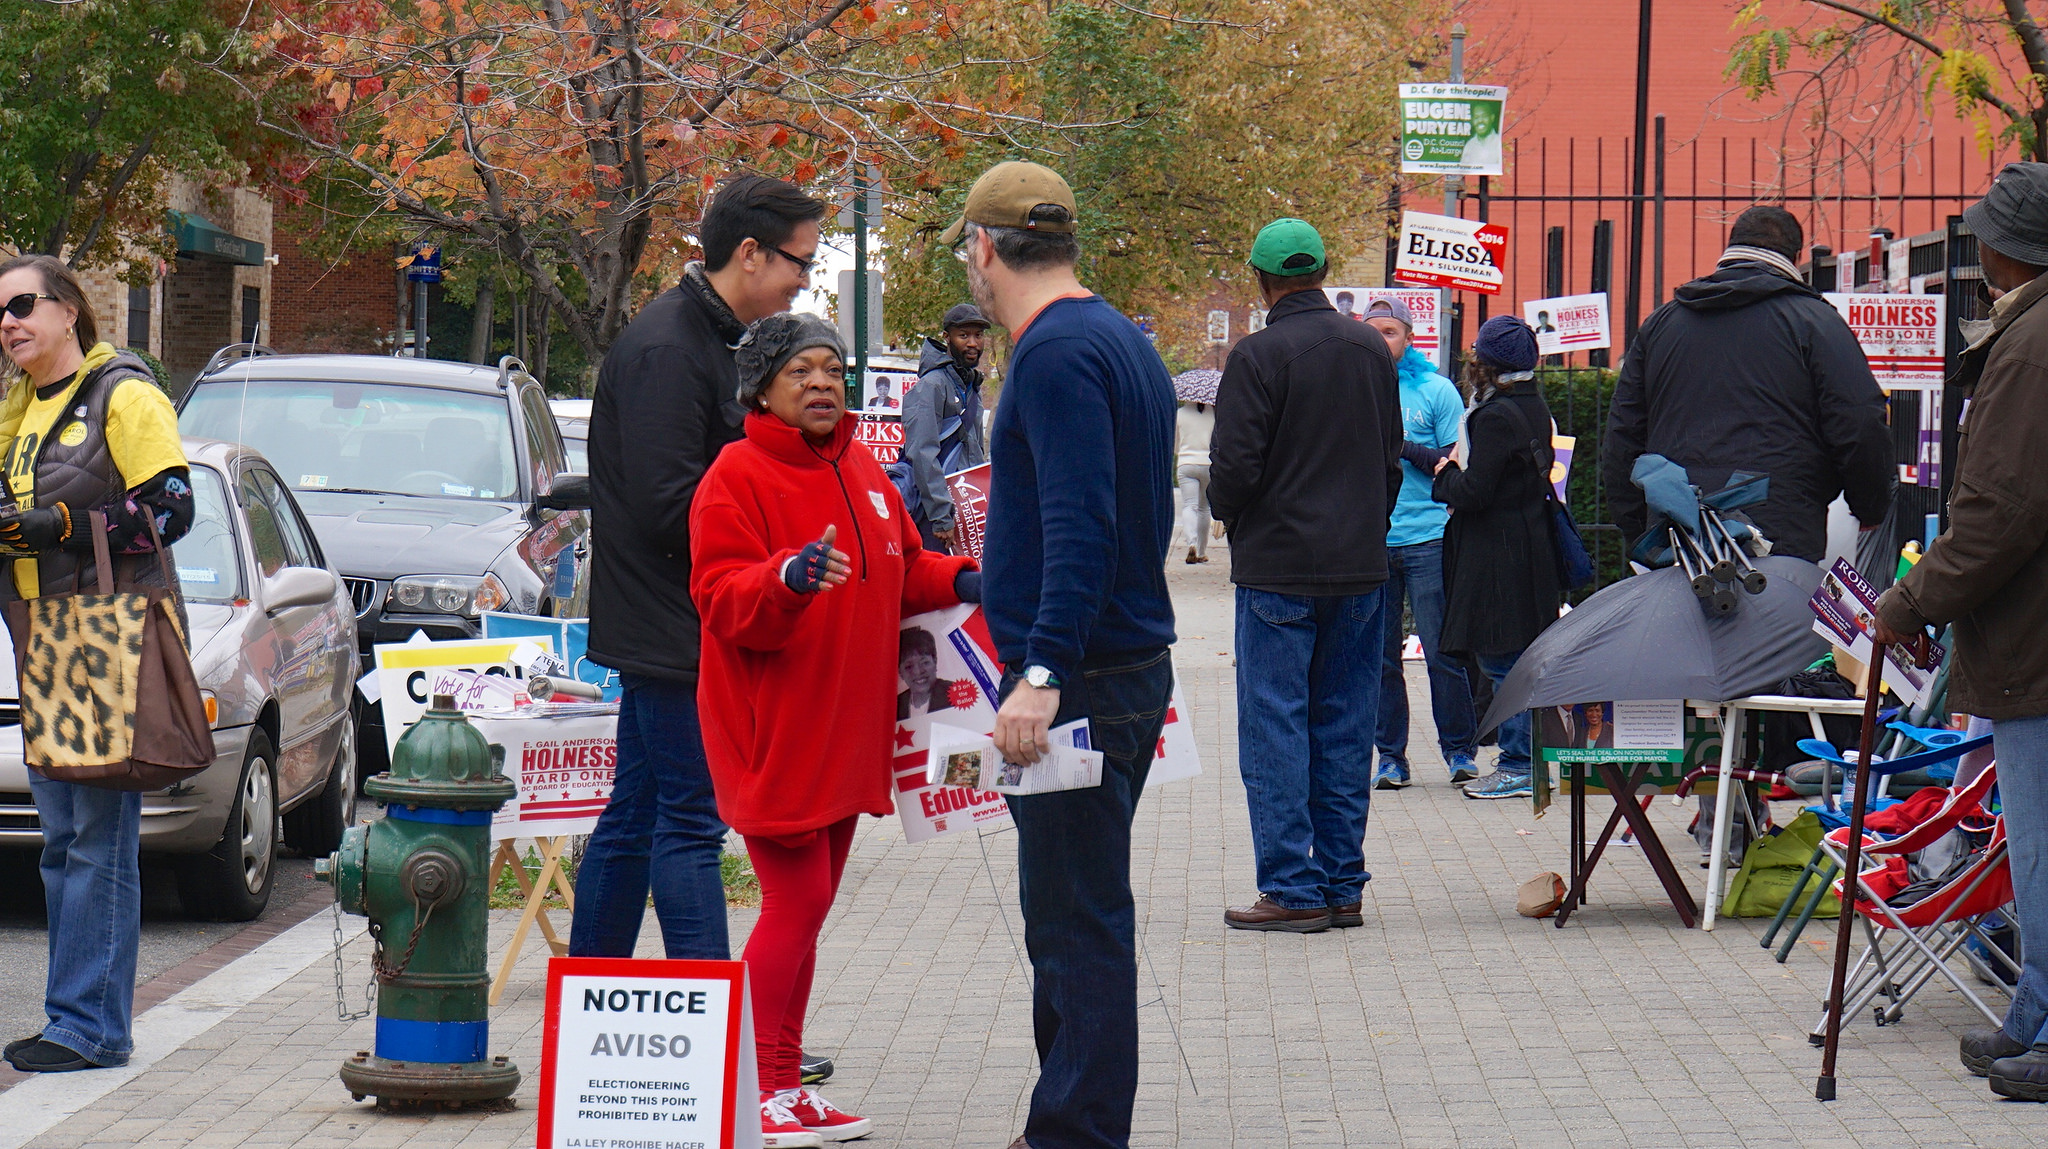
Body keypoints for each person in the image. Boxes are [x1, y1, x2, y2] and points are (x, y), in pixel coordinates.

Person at [692, 313, 978, 1145]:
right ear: (762, 389)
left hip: (850, 725)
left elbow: (904, 564)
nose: (821, 384)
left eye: (831, 369)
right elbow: (719, 596)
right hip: (773, 724)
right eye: (800, 372)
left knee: (809, 909)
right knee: (797, 898)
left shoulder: (860, 465)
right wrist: (788, 576)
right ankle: (749, 1086)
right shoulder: (735, 475)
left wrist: (966, 574)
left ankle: (783, 1084)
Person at [943, 159, 1176, 1149]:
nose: (970, 268)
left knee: (1076, 922)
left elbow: (1080, 525)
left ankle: (1075, 1132)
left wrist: (1039, 672)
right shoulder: (1116, 339)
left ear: (987, 248)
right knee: (1068, 915)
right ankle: (1068, 1115)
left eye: (967, 250)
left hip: (1079, 677)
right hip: (1112, 663)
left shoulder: (1054, 354)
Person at [577, 176, 822, 960]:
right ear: (749, 253)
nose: (804, 281)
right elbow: (669, 503)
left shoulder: (710, 339)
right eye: (799, 262)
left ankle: (593, 1006)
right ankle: (715, 1034)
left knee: (637, 816)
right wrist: (769, 556)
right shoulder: (668, 348)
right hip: (676, 628)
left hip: (677, 622)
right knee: (688, 822)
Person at [1873, 162, 2048, 1103]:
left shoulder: (2033, 345)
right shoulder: (2027, 338)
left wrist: (1910, 602)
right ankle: (2032, 1014)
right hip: (2027, 637)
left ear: (2005, 250)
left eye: (1983, 236)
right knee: (2035, 840)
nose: (1973, 251)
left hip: (2036, 644)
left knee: (2043, 845)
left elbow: (2001, 509)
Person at [0, 254, 194, 1073]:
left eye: (21, 305)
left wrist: (66, 528)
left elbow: (172, 507)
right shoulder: (18, 405)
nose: (8, 322)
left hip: (103, 636)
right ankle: (81, 1020)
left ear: (69, 311)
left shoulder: (125, 392)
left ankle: (87, 1028)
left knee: (93, 842)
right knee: (62, 841)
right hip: (44, 637)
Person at [1210, 218, 1401, 933]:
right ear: (1323, 272)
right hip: (1359, 567)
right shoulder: (1369, 351)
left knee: (1275, 723)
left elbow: (1233, 471)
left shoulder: (1257, 356)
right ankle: (1343, 882)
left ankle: (1292, 886)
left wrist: (1234, 516)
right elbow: (1388, 463)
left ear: (1263, 281)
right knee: (1348, 723)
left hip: (1279, 569)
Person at [1603, 204, 1892, 562]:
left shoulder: (1661, 324)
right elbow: (1860, 419)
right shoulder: (1816, 323)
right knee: (1774, 618)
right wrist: (1869, 506)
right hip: (1782, 528)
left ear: (1732, 246)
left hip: (1676, 530)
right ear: (1794, 255)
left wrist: (1638, 528)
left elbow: (1622, 436)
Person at [1432, 316, 1561, 800]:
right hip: (1529, 548)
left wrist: (1444, 475)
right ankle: (1528, 760)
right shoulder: (1533, 406)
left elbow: (1476, 490)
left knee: (1504, 663)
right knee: (1520, 658)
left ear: (1485, 365)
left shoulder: (1493, 416)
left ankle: (1519, 764)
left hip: (1496, 557)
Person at [1362, 295, 1479, 789]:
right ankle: (1392, 757)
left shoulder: (1436, 390)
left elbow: (1457, 460)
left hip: (1429, 535)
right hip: (1371, 538)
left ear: (1410, 338)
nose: (1381, 340)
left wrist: (1403, 447)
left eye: (1390, 331)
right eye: (1373, 331)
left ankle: (1459, 751)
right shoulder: (1352, 387)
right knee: (1380, 657)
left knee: (1441, 652)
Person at [903, 303, 990, 553]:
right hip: (935, 518)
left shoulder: (970, 385)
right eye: (964, 335)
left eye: (978, 335)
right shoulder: (932, 385)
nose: (973, 343)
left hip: (965, 512)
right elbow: (922, 452)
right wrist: (941, 516)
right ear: (947, 338)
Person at [1174, 389, 1214, 564]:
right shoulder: (1214, 414)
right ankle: (1202, 551)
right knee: (1205, 509)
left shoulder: (1180, 414)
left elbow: (1175, 443)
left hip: (1186, 463)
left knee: (1190, 506)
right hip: (1209, 464)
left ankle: (1191, 543)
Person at [896, 625, 961, 720]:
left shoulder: (955, 693)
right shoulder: (896, 704)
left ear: (935, 661)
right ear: (900, 673)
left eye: (924, 663)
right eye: (909, 667)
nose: (918, 672)